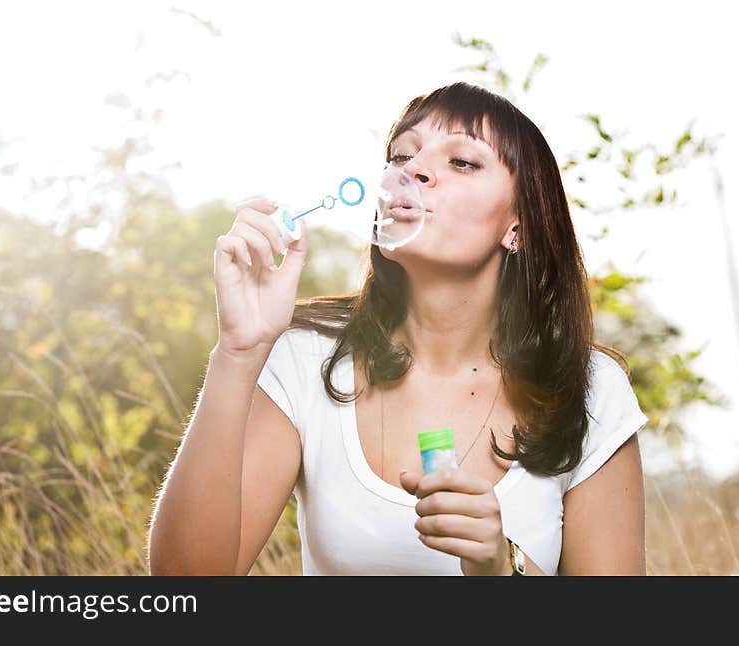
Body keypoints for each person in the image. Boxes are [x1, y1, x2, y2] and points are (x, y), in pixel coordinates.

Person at [148, 82, 648, 576]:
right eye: (401, 156)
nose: (413, 171)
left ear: (518, 225)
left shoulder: (591, 388)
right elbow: (184, 585)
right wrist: (237, 353)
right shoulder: (304, 357)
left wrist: (504, 568)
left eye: (463, 162)